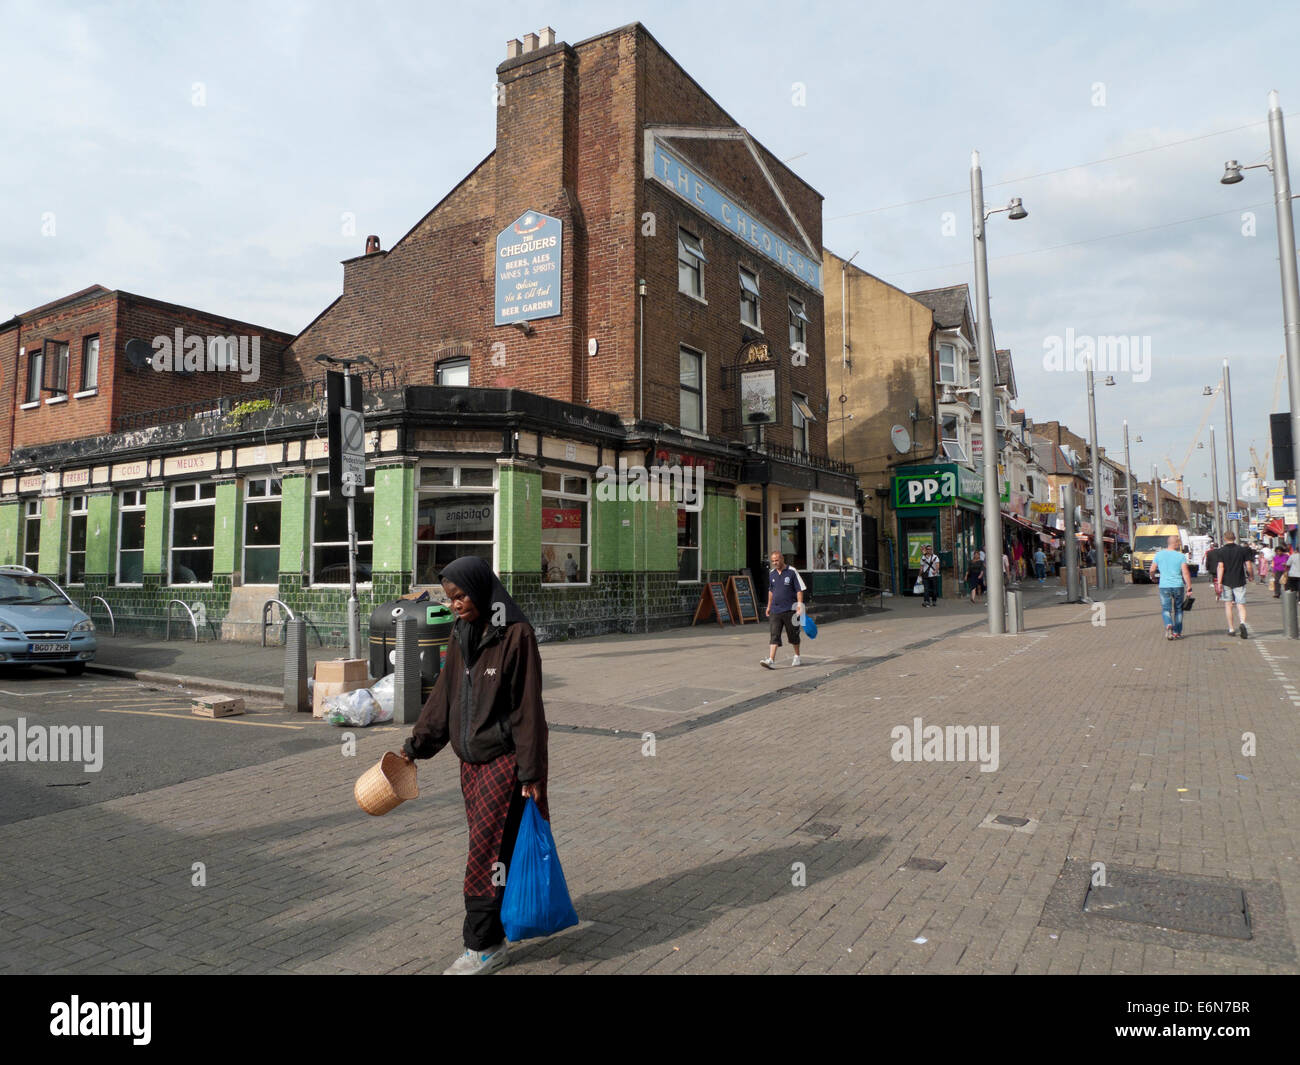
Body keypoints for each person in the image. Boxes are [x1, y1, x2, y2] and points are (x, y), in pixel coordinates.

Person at [396, 556, 549, 975]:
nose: (456, 604)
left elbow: (527, 709)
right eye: (450, 599)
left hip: (503, 763)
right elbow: (444, 697)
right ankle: (504, 922)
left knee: (483, 854)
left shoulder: (517, 635)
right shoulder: (462, 631)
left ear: (482, 588)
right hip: (469, 765)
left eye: (461, 596)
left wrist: (531, 772)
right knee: (498, 850)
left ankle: (482, 945)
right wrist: (416, 746)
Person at [761, 551, 806, 668]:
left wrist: (800, 605)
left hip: (791, 609)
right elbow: (771, 591)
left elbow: (799, 589)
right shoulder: (772, 573)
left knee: (793, 635)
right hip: (775, 610)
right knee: (774, 634)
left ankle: (797, 656)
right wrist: (769, 606)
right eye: (773, 561)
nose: (775, 563)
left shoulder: (792, 571)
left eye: (777, 560)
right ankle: (771, 659)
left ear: (782, 559)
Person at [1148, 534, 1192, 640]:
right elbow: (1185, 572)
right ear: (1175, 543)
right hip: (1178, 586)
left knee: (1166, 609)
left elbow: (1152, 569)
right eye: (1179, 542)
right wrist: (1189, 586)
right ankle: (1177, 632)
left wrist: (1153, 577)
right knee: (1178, 609)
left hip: (1164, 586)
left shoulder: (1159, 555)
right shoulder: (1180, 556)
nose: (1179, 544)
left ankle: (1168, 624)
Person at [1215, 530, 1255, 639]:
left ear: (1224, 539)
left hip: (1226, 581)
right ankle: (1242, 623)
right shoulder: (1242, 550)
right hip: (1239, 580)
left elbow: (1221, 567)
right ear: (1235, 538)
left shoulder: (1221, 551)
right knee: (1240, 604)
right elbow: (1248, 565)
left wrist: (1219, 582)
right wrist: (1251, 575)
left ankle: (1231, 629)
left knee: (1228, 605)